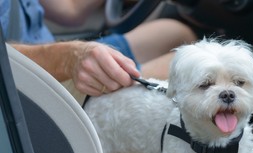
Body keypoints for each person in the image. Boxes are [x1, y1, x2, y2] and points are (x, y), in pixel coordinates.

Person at [0, 0, 197, 97]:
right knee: (190, 65)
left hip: (49, 50)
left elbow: (71, 10)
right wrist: (68, 59)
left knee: (176, 34)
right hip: (32, 86)